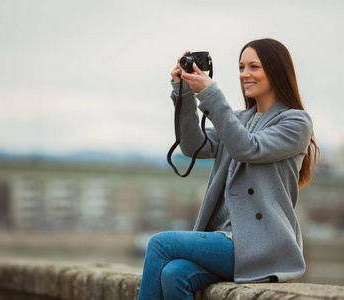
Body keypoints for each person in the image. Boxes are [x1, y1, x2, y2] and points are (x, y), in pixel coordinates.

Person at [137, 38, 320, 300]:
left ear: (276, 71)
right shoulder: (240, 119)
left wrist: (211, 94)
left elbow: (248, 148)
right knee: (173, 273)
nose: (244, 74)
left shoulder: (296, 121)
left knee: (159, 243)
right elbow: (193, 146)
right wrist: (185, 94)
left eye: (254, 67)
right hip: (225, 241)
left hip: (258, 244)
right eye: (241, 67)